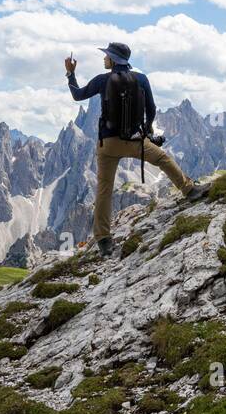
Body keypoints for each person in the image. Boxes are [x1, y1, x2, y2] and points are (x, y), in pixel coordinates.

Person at [64, 42, 207, 256]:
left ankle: (103, 239)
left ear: (113, 60)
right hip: (135, 142)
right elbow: (151, 108)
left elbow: (77, 95)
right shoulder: (141, 79)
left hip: (108, 144)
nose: (104, 59)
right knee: (163, 159)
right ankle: (190, 190)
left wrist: (70, 74)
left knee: (104, 188)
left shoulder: (102, 80)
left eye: (106, 56)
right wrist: (147, 133)